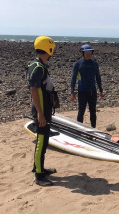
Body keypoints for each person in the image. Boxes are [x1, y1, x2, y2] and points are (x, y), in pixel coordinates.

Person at [27, 36, 57, 186]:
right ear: (48, 49)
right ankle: (38, 175)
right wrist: (40, 113)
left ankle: (40, 168)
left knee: (44, 141)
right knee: (41, 141)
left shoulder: (39, 65)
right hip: (41, 110)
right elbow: (34, 90)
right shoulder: (38, 67)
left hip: (44, 109)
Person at [70, 44, 104, 128]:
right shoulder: (78, 64)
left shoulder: (94, 64)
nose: (88, 54)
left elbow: (98, 77)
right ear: (82, 53)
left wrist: (100, 90)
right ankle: (79, 130)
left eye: (90, 52)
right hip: (82, 91)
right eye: (86, 52)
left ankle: (93, 129)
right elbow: (73, 78)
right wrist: (72, 92)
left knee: (93, 111)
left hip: (92, 91)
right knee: (81, 111)